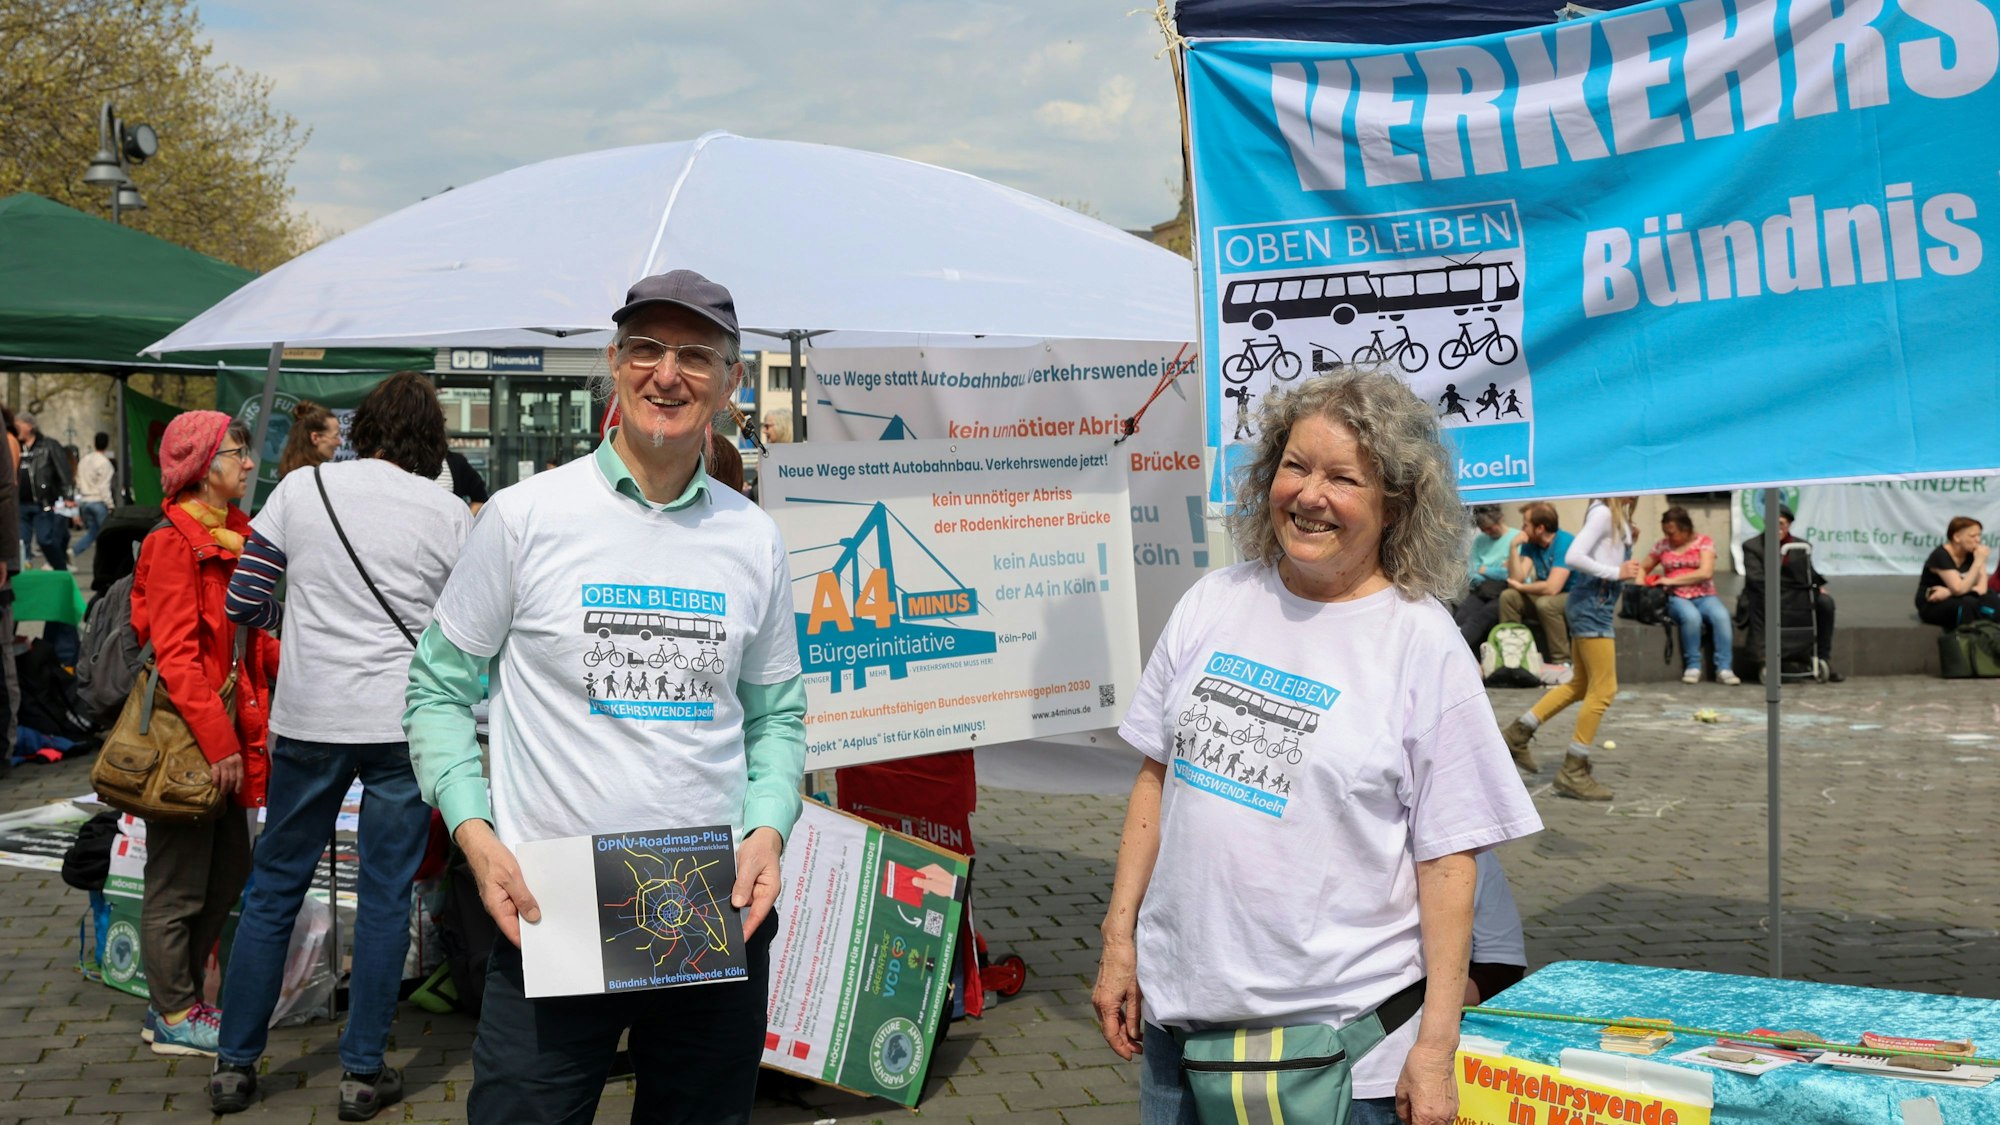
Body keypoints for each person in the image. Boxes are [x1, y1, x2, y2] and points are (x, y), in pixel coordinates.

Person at [404, 270, 806, 1124]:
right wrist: (476, 839)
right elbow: (437, 689)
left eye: (696, 355)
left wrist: (769, 827)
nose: (669, 374)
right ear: (615, 365)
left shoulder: (754, 538)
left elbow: (777, 718)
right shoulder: (523, 519)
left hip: (711, 900)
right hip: (553, 904)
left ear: (731, 382)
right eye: (647, 350)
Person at [1091, 369, 1542, 1125]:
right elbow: (1153, 776)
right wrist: (1119, 941)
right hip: (1178, 1031)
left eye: (1343, 477)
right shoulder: (1214, 601)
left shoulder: (1421, 641)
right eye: (1295, 465)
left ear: (1395, 503)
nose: (1309, 494)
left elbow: (1449, 860)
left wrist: (1435, 1045)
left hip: (1336, 1056)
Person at [208, 374, 472, 1118]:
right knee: (386, 894)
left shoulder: (301, 491)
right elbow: (466, 628)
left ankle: (234, 1063)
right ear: (430, 439)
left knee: (274, 886)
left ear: (365, 429)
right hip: (402, 723)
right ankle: (362, 1071)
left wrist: (301, 628)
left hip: (310, 715)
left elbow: (242, 599)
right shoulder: (450, 513)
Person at [130, 412, 278, 1057]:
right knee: (179, 882)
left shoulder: (240, 535)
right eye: (237, 452)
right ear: (200, 464)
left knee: (228, 871)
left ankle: (184, 998)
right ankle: (171, 1011)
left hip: (232, 729)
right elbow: (178, 659)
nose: (248, 464)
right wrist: (220, 743)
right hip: (193, 739)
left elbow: (255, 641)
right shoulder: (173, 543)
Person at [1499, 496, 1638, 798]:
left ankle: (1517, 732)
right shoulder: (1602, 512)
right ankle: (1574, 769)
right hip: (1593, 606)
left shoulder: (1611, 514)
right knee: (1604, 690)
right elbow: (1575, 556)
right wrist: (1617, 572)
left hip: (1592, 604)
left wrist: (1627, 541)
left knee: (1579, 684)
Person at [1632, 506, 1741, 685]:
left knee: (1721, 617)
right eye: (1666, 532)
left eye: (1673, 533)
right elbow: (1644, 567)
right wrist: (1641, 587)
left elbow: (1705, 572)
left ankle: (1724, 667)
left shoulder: (1704, 543)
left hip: (1704, 594)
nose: (1670, 537)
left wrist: (1671, 580)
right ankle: (1693, 665)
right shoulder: (1663, 545)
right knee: (1691, 618)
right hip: (1677, 596)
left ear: (1686, 528)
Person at [1500, 502, 1574, 678]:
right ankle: (1513, 659)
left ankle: (1562, 663)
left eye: (1525, 524)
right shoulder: (1531, 544)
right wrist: (1513, 547)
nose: (1522, 528)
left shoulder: (1565, 543)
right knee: (1509, 596)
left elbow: (1553, 587)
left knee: (1546, 603)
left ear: (1540, 528)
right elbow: (1516, 579)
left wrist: (1523, 587)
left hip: (1574, 597)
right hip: (1547, 594)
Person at [1916, 516, 2000, 629]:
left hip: (1954, 596)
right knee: (1968, 605)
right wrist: (1978, 562)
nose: (1978, 540)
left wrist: (1948, 592)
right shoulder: (1941, 555)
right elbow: (1958, 589)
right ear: (1957, 537)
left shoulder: (1973, 553)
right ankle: (1968, 638)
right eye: (1973, 536)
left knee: (1991, 598)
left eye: (1979, 535)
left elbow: (1982, 589)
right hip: (1933, 602)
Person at [15, 411, 74, 569]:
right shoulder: (15, 446)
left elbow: (64, 471)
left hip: (43, 503)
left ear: (30, 426)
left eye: (18, 426)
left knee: (45, 539)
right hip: (20, 504)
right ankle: (25, 573)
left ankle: (60, 568)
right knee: (22, 542)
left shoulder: (48, 445)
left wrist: (68, 495)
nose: (16, 430)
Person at [1452, 503, 1515, 650]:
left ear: (1500, 519)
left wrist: (1484, 569)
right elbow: (1471, 571)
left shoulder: (1515, 538)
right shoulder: (1480, 541)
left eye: (1490, 527)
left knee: (1479, 618)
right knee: (1459, 617)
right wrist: (1496, 570)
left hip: (1504, 592)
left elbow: (1511, 574)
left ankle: (1458, 650)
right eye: (1484, 530)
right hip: (1481, 590)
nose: (1487, 532)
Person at [276, 400, 341, 479]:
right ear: (315, 438)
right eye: (335, 436)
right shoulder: (319, 479)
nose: (339, 442)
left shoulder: (289, 475)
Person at [75, 431, 115, 556]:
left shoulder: (84, 460)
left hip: (85, 500)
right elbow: (104, 486)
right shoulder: (105, 463)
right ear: (107, 444)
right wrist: (110, 505)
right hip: (98, 501)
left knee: (93, 532)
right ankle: (106, 558)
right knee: (106, 533)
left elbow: (78, 480)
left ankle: (75, 550)